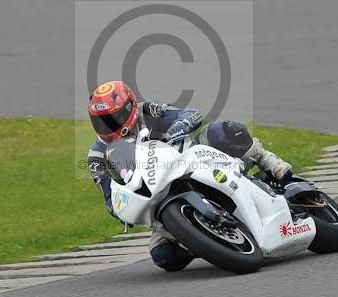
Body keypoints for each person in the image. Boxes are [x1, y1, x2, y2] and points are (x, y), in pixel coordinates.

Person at [86, 80, 297, 272]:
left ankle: (269, 162)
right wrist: (122, 208)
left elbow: (190, 114)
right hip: (156, 194)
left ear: (130, 107)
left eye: (115, 118)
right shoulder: (97, 156)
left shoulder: (147, 111)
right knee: (163, 256)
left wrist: (177, 128)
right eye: (102, 122)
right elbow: (109, 196)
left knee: (224, 131)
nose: (110, 126)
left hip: (192, 158)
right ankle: (205, 239)